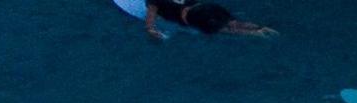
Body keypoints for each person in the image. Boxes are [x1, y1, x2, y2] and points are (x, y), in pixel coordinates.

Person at [116, 0, 275, 38]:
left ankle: (257, 33)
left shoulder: (154, 2)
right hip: (207, 7)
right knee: (233, 22)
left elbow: (150, 19)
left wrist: (152, 30)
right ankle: (260, 27)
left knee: (224, 28)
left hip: (194, 17)